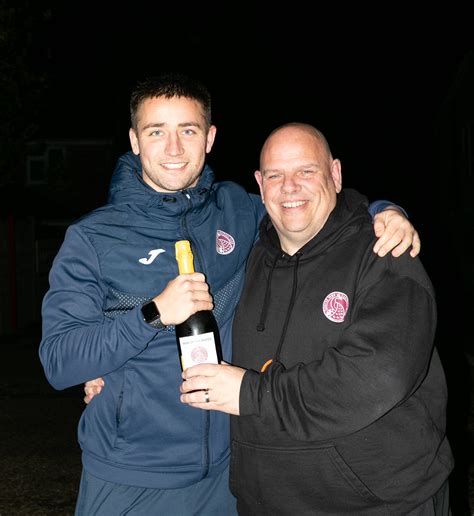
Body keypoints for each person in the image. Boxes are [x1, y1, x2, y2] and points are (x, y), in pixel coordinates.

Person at [40, 72, 420, 516]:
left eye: (188, 130)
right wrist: (152, 314)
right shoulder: (93, 238)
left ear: (210, 137)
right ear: (134, 140)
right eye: (156, 131)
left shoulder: (238, 209)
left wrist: (385, 210)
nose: (175, 148)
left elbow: (310, 203)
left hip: (227, 473)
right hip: (131, 476)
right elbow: (59, 362)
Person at [180, 123, 453, 515]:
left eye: (306, 171)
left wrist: (252, 393)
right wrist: (113, 364)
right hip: (265, 502)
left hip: (379, 504)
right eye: (275, 175)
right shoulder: (248, 260)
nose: (289, 186)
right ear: (260, 183)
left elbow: (377, 376)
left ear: (335, 174)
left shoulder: (385, 252)